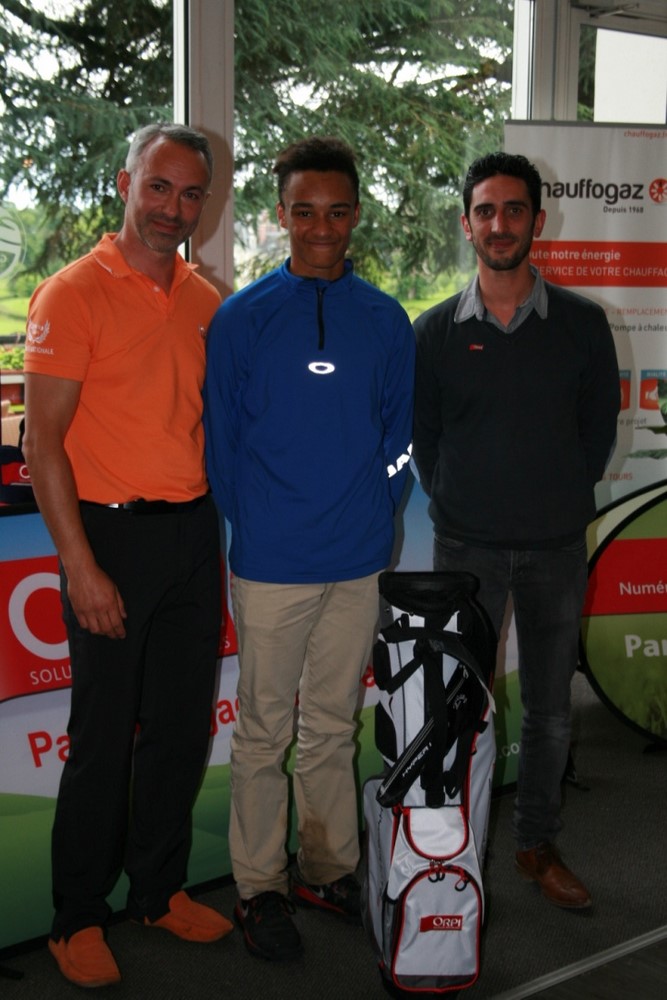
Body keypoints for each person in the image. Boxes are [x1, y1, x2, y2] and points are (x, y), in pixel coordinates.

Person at [22, 123, 233, 989]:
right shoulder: (72, 292)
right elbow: (42, 444)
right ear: (124, 184)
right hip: (107, 538)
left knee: (180, 730)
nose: (173, 210)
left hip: (192, 534)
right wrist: (80, 566)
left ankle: (155, 891)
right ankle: (75, 917)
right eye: (159, 187)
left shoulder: (205, 299)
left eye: (190, 195)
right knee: (102, 738)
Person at [203, 136, 415, 961]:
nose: (320, 228)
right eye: (303, 212)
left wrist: (373, 506)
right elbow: (222, 447)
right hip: (272, 564)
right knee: (263, 731)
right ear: (281, 214)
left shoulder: (384, 318)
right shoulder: (242, 318)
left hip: (358, 559)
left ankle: (326, 869)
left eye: (335, 211)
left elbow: (399, 438)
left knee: (328, 725)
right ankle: (258, 886)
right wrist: (261, 523)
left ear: (355, 214)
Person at [412, 151, 619, 911]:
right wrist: (464, 500)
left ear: (537, 220)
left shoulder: (582, 325)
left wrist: (553, 499)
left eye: (513, 210)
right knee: (457, 706)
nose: (499, 224)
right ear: (467, 224)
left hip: (555, 548)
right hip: (464, 548)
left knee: (550, 710)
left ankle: (535, 843)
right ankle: (449, 853)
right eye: (485, 211)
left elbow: (597, 434)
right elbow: (425, 440)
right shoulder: (434, 331)